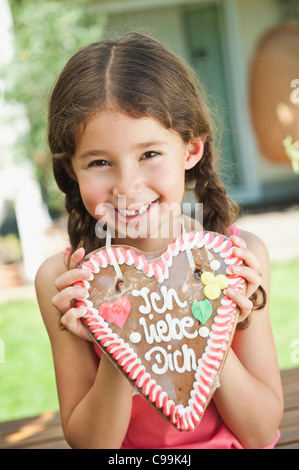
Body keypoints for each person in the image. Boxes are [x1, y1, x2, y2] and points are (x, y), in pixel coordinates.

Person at [35, 32, 283, 449]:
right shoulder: (66, 282)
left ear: (191, 149)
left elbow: (259, 434)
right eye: (99, 162)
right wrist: (120, 341)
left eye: (149, 154)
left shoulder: (238, 260)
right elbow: (92, 446)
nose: (127, 187)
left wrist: (210, 334)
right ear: (71, 171)